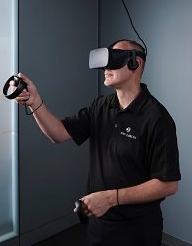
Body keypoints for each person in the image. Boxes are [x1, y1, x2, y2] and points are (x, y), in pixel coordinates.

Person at [14, 39, 181, 246]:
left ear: (134, 64)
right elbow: (58, 133)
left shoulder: (157, 118)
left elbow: (168, 185)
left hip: (137, 230)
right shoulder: (101, 106)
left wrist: (111, 198)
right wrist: (35, 101)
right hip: (99, 225)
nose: (104, 67)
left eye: (113, 59)